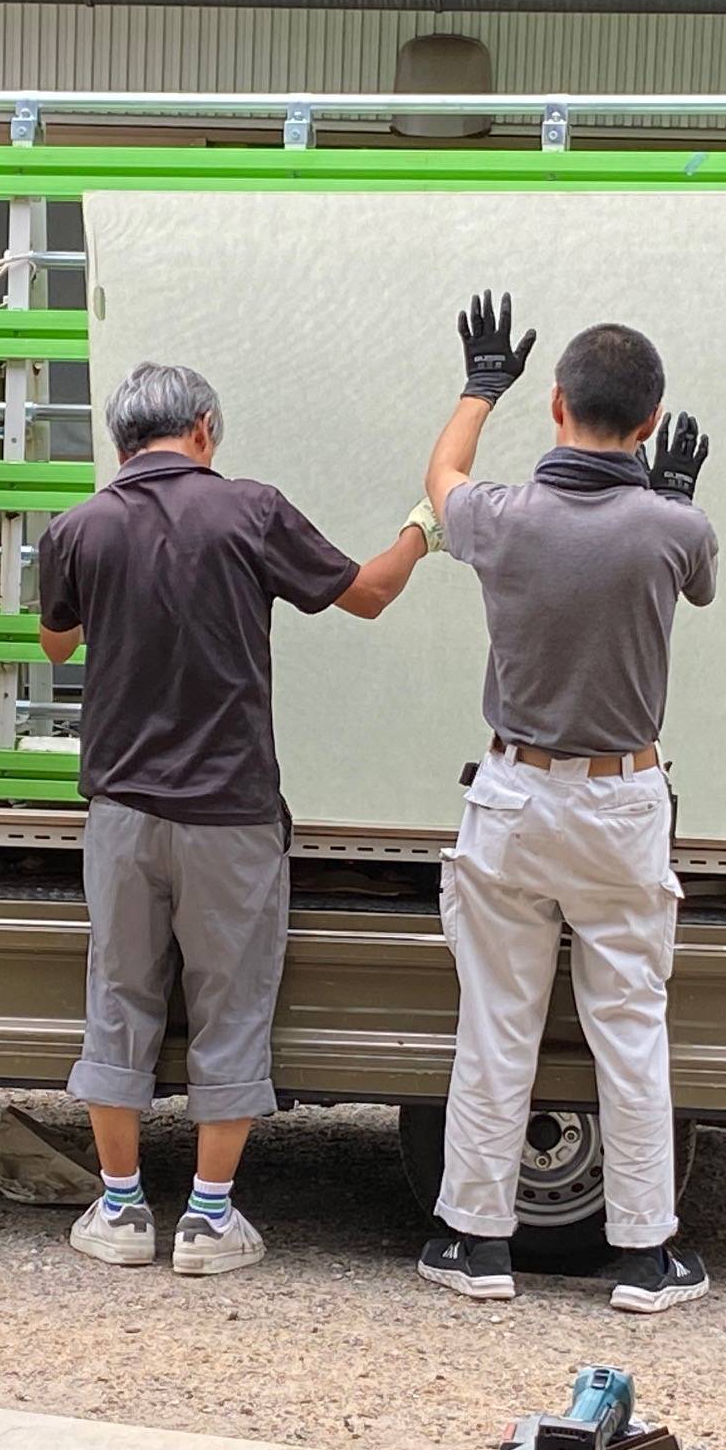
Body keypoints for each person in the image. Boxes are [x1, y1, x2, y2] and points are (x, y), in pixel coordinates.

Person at [41, 361, 432, 1277]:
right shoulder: (250, 511)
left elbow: (56, 639)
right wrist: (422, 530)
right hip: (233, 817)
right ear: (205, 430)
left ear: (119, 440)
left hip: (124, 813)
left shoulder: (79, 527)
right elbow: (369, 594)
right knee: (231, 1004)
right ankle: (210, 1221)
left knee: (119, 998)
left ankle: (122, 1209)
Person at [405, 291, 720, 1313]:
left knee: (499, 1024)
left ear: (554, 405)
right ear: (651, 421)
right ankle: (644, 1259)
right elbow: (697, 575)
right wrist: (664, 489)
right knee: (629, 1026)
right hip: (623, 804)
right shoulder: (675, 528)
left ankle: (477, 1248)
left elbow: (440, 478)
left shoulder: (501, 519)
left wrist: (475, 388)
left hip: (513, 795)